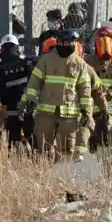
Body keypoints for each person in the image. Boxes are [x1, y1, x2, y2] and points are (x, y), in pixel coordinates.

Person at [21, 29, 93, 160]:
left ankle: (62, 175)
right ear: (58, 42)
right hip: (46, 113)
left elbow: (85, 90)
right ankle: (43, 174)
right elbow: (33, 83)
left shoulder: (80, 64)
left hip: (69, 115)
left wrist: (86, 112)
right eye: (65, 43)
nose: (67, 46)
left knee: (66, 149)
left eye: (71, 43)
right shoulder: (46, 60)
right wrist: (30, 101)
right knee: (43, 148)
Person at [0, 34, 32, 149]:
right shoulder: (26, 61)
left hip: (8, 107)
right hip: (26, 105)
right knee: (29, 131)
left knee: (13, 135)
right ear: (17, 46)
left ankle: (14, 153)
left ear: (2, 47)